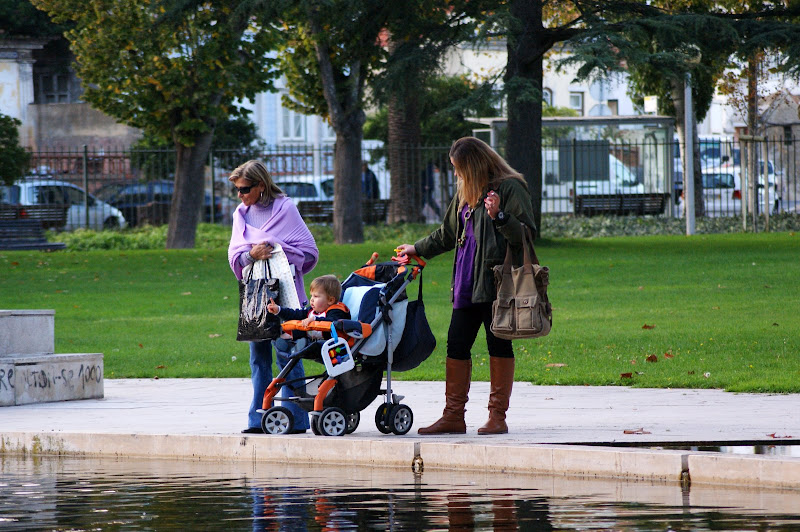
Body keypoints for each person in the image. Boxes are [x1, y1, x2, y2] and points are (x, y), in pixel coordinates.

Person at [395, 136, 536, 435]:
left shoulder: (510, 188)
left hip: (497, 283)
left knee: (498, 342)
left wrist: (500, 216)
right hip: (466, 282)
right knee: (457, 344)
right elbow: (447, 234)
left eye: (459, 169)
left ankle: (498, 416)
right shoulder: (466, 191)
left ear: (473, 166)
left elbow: (525, 236)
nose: (456, 175)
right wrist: (416, 248)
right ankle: (453, 416)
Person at [228, 160, 319, 435]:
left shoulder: (286, 209)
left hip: (286, 294)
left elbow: (309, 252)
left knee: (288, 353)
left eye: (244, 189)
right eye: (237, 190)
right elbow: (235, 257)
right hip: (255, 293)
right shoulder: (241, 215)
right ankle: (259, 419)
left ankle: (297, 420)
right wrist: (250, 255)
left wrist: (279, 250)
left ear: (261, 185)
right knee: (258, 358)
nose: (240, 196)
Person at [267, 274, 350, 340]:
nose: (312, 300)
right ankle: (293, 339)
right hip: (312, 340)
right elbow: (295, 314)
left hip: (331, 344)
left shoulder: (336, 311)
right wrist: (278, 310)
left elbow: (333, 322)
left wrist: (315, 319)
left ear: (330, 300)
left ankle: (296, 341)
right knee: (298, 326)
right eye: (311, 296)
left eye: (316, 296)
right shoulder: (311, 311)